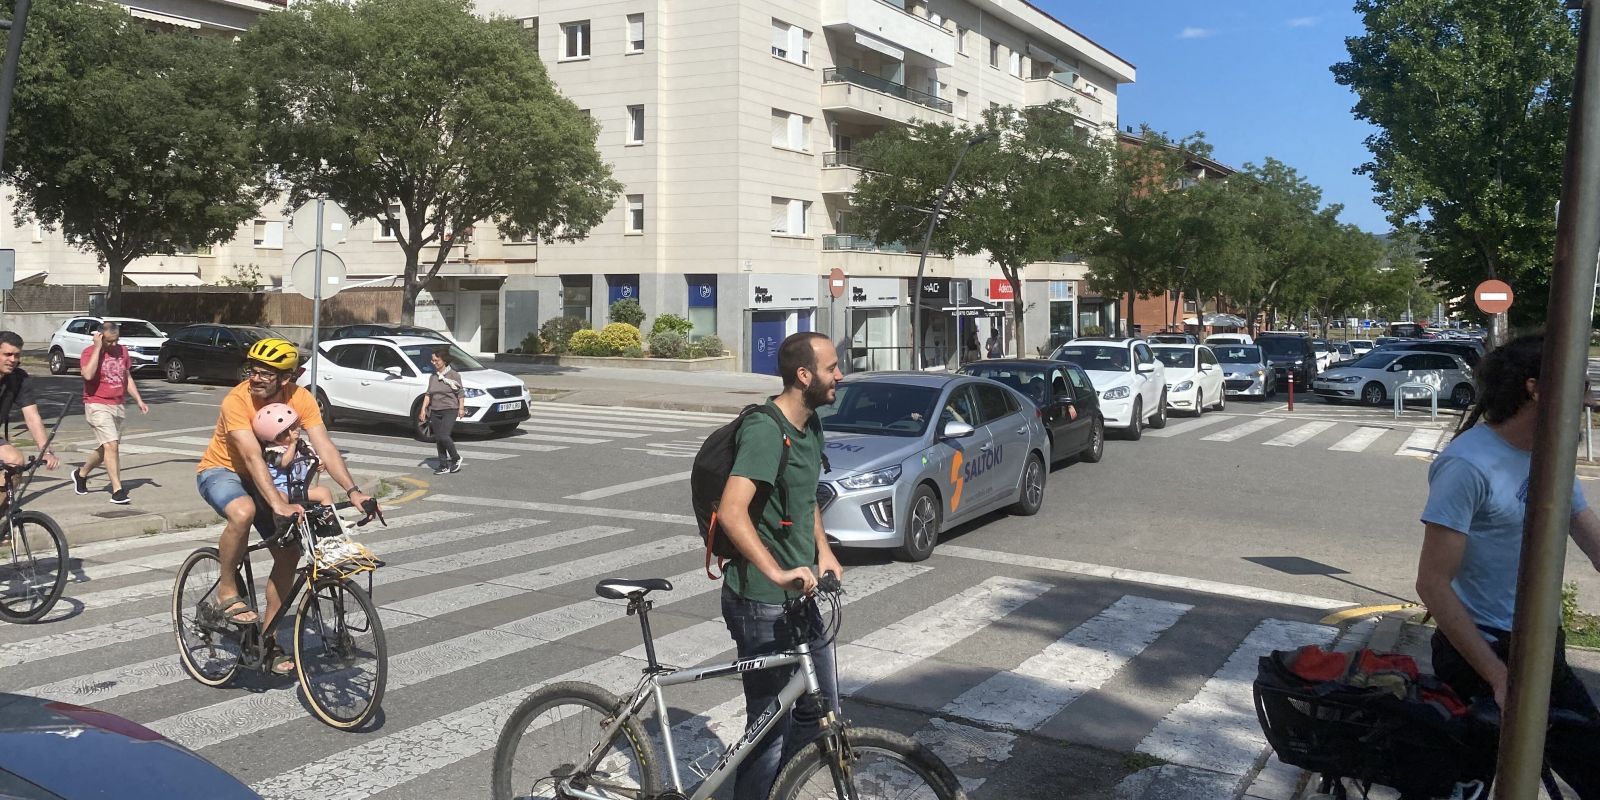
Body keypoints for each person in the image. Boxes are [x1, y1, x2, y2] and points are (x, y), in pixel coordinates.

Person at [1416, 333, 1600, 795]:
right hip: (1480, 652)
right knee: (1465, 786)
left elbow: (1590, 535)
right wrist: (1499, 678)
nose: (1589, 399)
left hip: (1541, 646)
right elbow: (1433, 584)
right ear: (1536, 388)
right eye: (1581, 387)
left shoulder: (1550, 456)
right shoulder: (1468, 465)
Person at [717, 331, 844, 800]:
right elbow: (732, 511)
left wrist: (824, 551)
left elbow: (805, 494)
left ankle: (785, 791)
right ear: (804, 375)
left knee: (821, 709)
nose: (840, 376)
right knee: (768, 730)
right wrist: (774, 570)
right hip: (760, 600)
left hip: (800, 596)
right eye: (832, 368)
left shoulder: (810, 425)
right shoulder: (766, 431)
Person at [195, 337, 371, 674]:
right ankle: (227, 590)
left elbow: (326, 447)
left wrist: (353, 491)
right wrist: (277, 503)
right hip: (223, 471)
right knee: (243, 510)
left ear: (286, 378)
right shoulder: (237, 401)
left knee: (289, 554)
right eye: (253, 370)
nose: (255, 378)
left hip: (268, 478)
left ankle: (268, 639)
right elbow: (250, 456)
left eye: (265, 373)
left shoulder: (301, 398)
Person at [72, 321, 147, 504]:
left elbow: (126, 376)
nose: (113, 345)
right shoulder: (89, 352)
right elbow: (88, 375)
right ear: (99, 337)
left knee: (107, 447)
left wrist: (139, 400)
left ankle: (81, 474)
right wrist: (98, 348)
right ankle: (117, 491)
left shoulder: (122, 351)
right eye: (109, 341)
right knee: (112, 446)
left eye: (116, 341)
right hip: (96, 403)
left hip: (118, 405)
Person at [0, 332, 59, 508]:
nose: (12, 359)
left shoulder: (18, 379)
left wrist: (45, 450)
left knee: (16, 462)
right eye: (7, 354)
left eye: (16, 355)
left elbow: (32, 416)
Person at [252, 402, 335, 510]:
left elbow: (311, 457)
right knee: (281, 499)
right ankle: (288, 520)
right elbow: (284, 463)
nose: (294, 433)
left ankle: (329, 517)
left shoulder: (300, 445)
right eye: (287, 432)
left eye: (294, 427)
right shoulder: (270, 452)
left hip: (300, 487)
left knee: (324, 492)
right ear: (275, 437)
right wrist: (292, 444)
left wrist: (319, 464)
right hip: (281, 488)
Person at [418, 346, 465, 474]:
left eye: (436, 360)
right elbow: (428, 394)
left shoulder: (454, 375)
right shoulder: (433, 377)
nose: (434, 363)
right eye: (432, 360)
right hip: (435, 410)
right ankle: (443, 464)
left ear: (444, 360)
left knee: (444, 435)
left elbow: (460, 393)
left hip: (450, 409)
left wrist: (461, 408)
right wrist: (423, 410)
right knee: (439, 438)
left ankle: (456, 458)